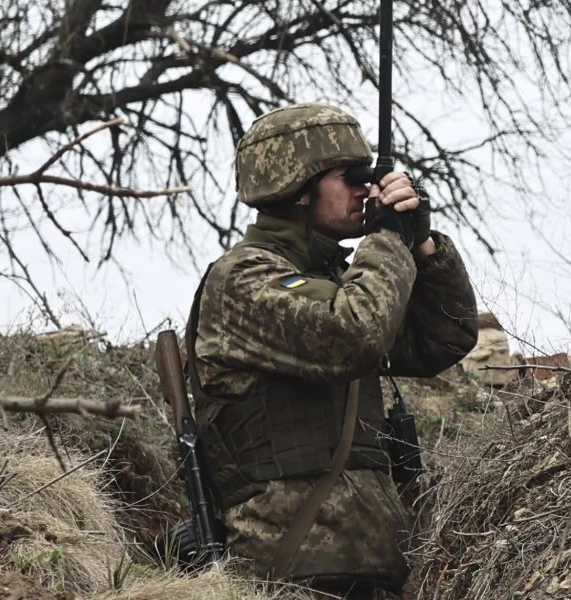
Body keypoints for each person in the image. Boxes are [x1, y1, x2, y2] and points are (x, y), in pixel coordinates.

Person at [185, 102, 479, 598]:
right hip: (283, 575)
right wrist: (387, 238)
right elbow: (353, 335)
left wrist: (422, 242)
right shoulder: (241, 280)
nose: (366, 190)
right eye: (351, 177)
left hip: (376, 571)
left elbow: (443, 338)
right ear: (299, 190)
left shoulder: (342, 282)